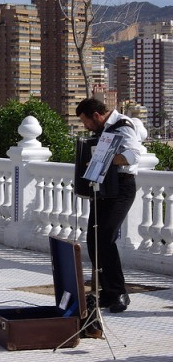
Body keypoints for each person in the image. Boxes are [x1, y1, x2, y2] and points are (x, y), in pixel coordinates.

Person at [76, 98, 141, 313]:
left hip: (121, 187)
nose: (85, 127)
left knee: (105, 236)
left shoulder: (123, 125)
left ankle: (119, 292)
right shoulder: (102, 130)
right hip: (102, 187)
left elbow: (132, 156)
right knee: (94, 239)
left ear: (96, 115)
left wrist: (103, 158)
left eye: (86, 122)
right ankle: (107, 292)